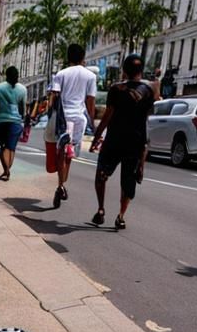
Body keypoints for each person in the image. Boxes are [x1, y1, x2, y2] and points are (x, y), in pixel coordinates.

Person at [89, 54, 155, 230]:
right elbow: (146, 121)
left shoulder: (116, 89)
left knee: (101, 175)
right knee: (128, 181)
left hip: (114, 141)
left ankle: (101, 209)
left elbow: (107, 116)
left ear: (124, 71)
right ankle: (121, 216)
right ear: (141, 71)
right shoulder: (149, 92)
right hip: (135, 143)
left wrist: (96, 137)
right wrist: (143, 156)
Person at [45, 44, 96, 208]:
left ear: (68, 57)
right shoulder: (90, 76)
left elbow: (54, 97)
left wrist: (48, 113)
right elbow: (90, 101)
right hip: (79, 119)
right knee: (69, 154)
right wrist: (93, 123)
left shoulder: (60, 74)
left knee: (61, 151)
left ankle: (60, 185)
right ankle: (61, 184)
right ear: (83, 58)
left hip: (62, 118)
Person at [0, 66, 27, 181]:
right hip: (16, 122)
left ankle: (6, 170)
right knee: (11, 147)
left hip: (1, 121)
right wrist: (22, 117)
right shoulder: (23, 90)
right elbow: (22, 109)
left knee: (3, 146)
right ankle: (7, 169)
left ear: (6, 75)